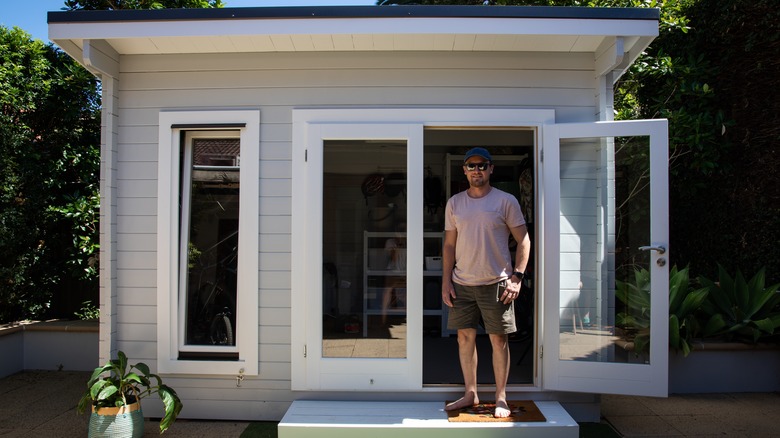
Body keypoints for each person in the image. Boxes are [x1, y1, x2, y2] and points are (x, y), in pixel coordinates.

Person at [442, 147, 531, 418]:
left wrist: (517, 277)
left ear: (491, 169)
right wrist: (446, 281)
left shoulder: (506, 201)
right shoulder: (455, 203)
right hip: (462, 283)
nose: (476, 170)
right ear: (464, 170)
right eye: (471, 166)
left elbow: (524, 240)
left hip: (497, 283)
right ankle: (471, 393)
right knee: (464, 338)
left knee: (498, 340)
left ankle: (501, 397)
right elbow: (448, 245)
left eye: (482, 165)